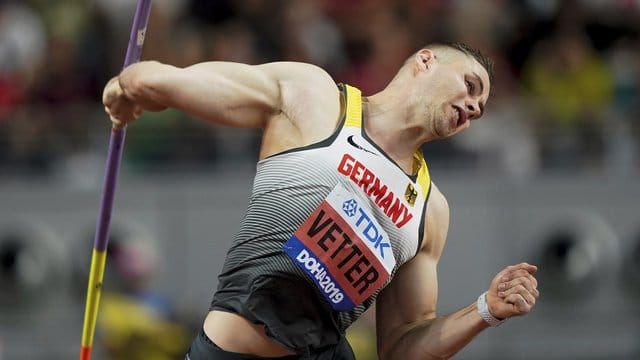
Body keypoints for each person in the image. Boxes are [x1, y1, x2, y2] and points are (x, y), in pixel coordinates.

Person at [102, 42, 540, 360]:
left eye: (480, 106)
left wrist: (485, 311)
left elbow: (401, 346)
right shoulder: (314, 98)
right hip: (231, 351)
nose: (474, 106)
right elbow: (175, 82)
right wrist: (131, 85)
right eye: (470, 85)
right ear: (425, 60)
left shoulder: (430, 209)